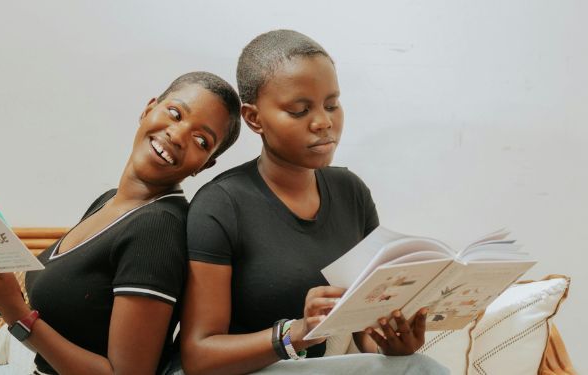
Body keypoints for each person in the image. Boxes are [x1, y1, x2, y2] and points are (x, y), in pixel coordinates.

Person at [0, 71, 241, 375]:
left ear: (205, 165)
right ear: (148, 109)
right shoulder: (111, 200)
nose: (177, 135)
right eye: (174, 113)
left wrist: (14, 311)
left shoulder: (157, 229)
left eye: (201, 140)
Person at [178, 31, 448, 374]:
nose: (324, 122)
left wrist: (393, 344)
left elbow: (364, 332)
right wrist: (296, 333)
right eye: (300, 110)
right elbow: (199, 357)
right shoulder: (221, 205)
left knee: (415, 365)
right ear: (254, 118)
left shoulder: (351, 193)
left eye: (332, 104)